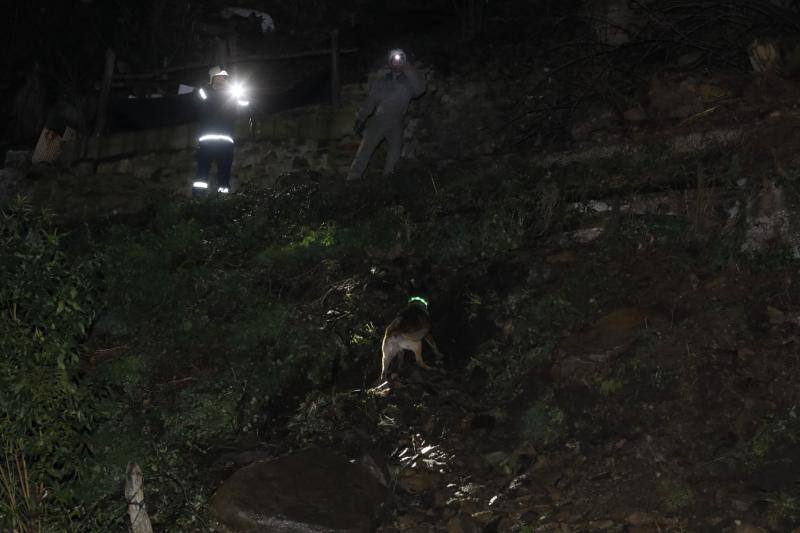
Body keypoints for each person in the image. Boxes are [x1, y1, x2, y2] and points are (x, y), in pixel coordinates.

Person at [347, 49, 426, 181]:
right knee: (365, 150)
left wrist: (407, 67)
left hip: (397, 121)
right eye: (394, 60)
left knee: (394, 155)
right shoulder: (382, 81)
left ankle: (388, 183)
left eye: (400, 59)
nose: (397, 62)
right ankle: (352, 180)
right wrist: (360, 119)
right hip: (379, 119)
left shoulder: (409, 82)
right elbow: (371, 101)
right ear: (390, 63)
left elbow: (420, 89)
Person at [192, 65, 250, 196]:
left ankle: (223, 204)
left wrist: (234, 90)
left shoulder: (232, 94)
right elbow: (196, 102)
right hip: (207, 141)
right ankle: (197, 201)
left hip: (224, 141)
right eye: (220, 77)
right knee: (201, 175)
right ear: (212, 78)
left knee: (224, 175)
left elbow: (245, 104)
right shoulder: (204, 92)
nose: (223, 79)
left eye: (225, 77)